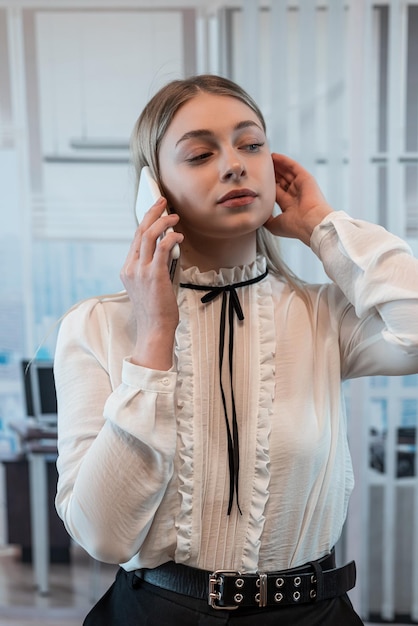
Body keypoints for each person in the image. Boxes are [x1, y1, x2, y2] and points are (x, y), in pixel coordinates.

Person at [54, 74, 418, 626]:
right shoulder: (97, 326)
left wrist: (321, 225)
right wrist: (154, 337)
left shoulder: (322, 315)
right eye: (200, 153)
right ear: (153, 191)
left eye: (252, 145)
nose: (234, 164)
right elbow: (103, 535)